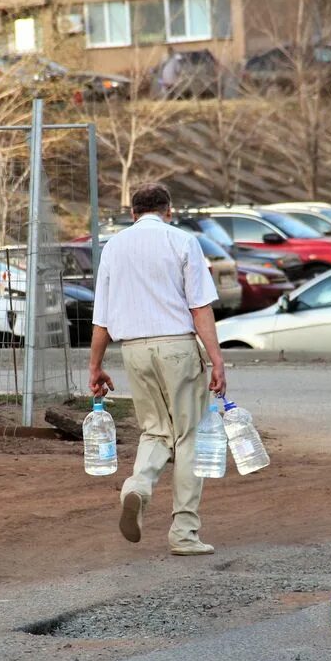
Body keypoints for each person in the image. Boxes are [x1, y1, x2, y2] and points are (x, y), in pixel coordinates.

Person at [89, 183, 227, 556]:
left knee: (155, 431)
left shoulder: (114, 247)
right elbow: (200, 308)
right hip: (178, 348)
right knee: (188, 437)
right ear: (169, 210)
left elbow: (101, 316)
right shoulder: (182, 242)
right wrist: (216, 359)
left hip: (133, 350)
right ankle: (184, 532)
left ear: (132, 213)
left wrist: (96, 365)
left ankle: (138, 485)